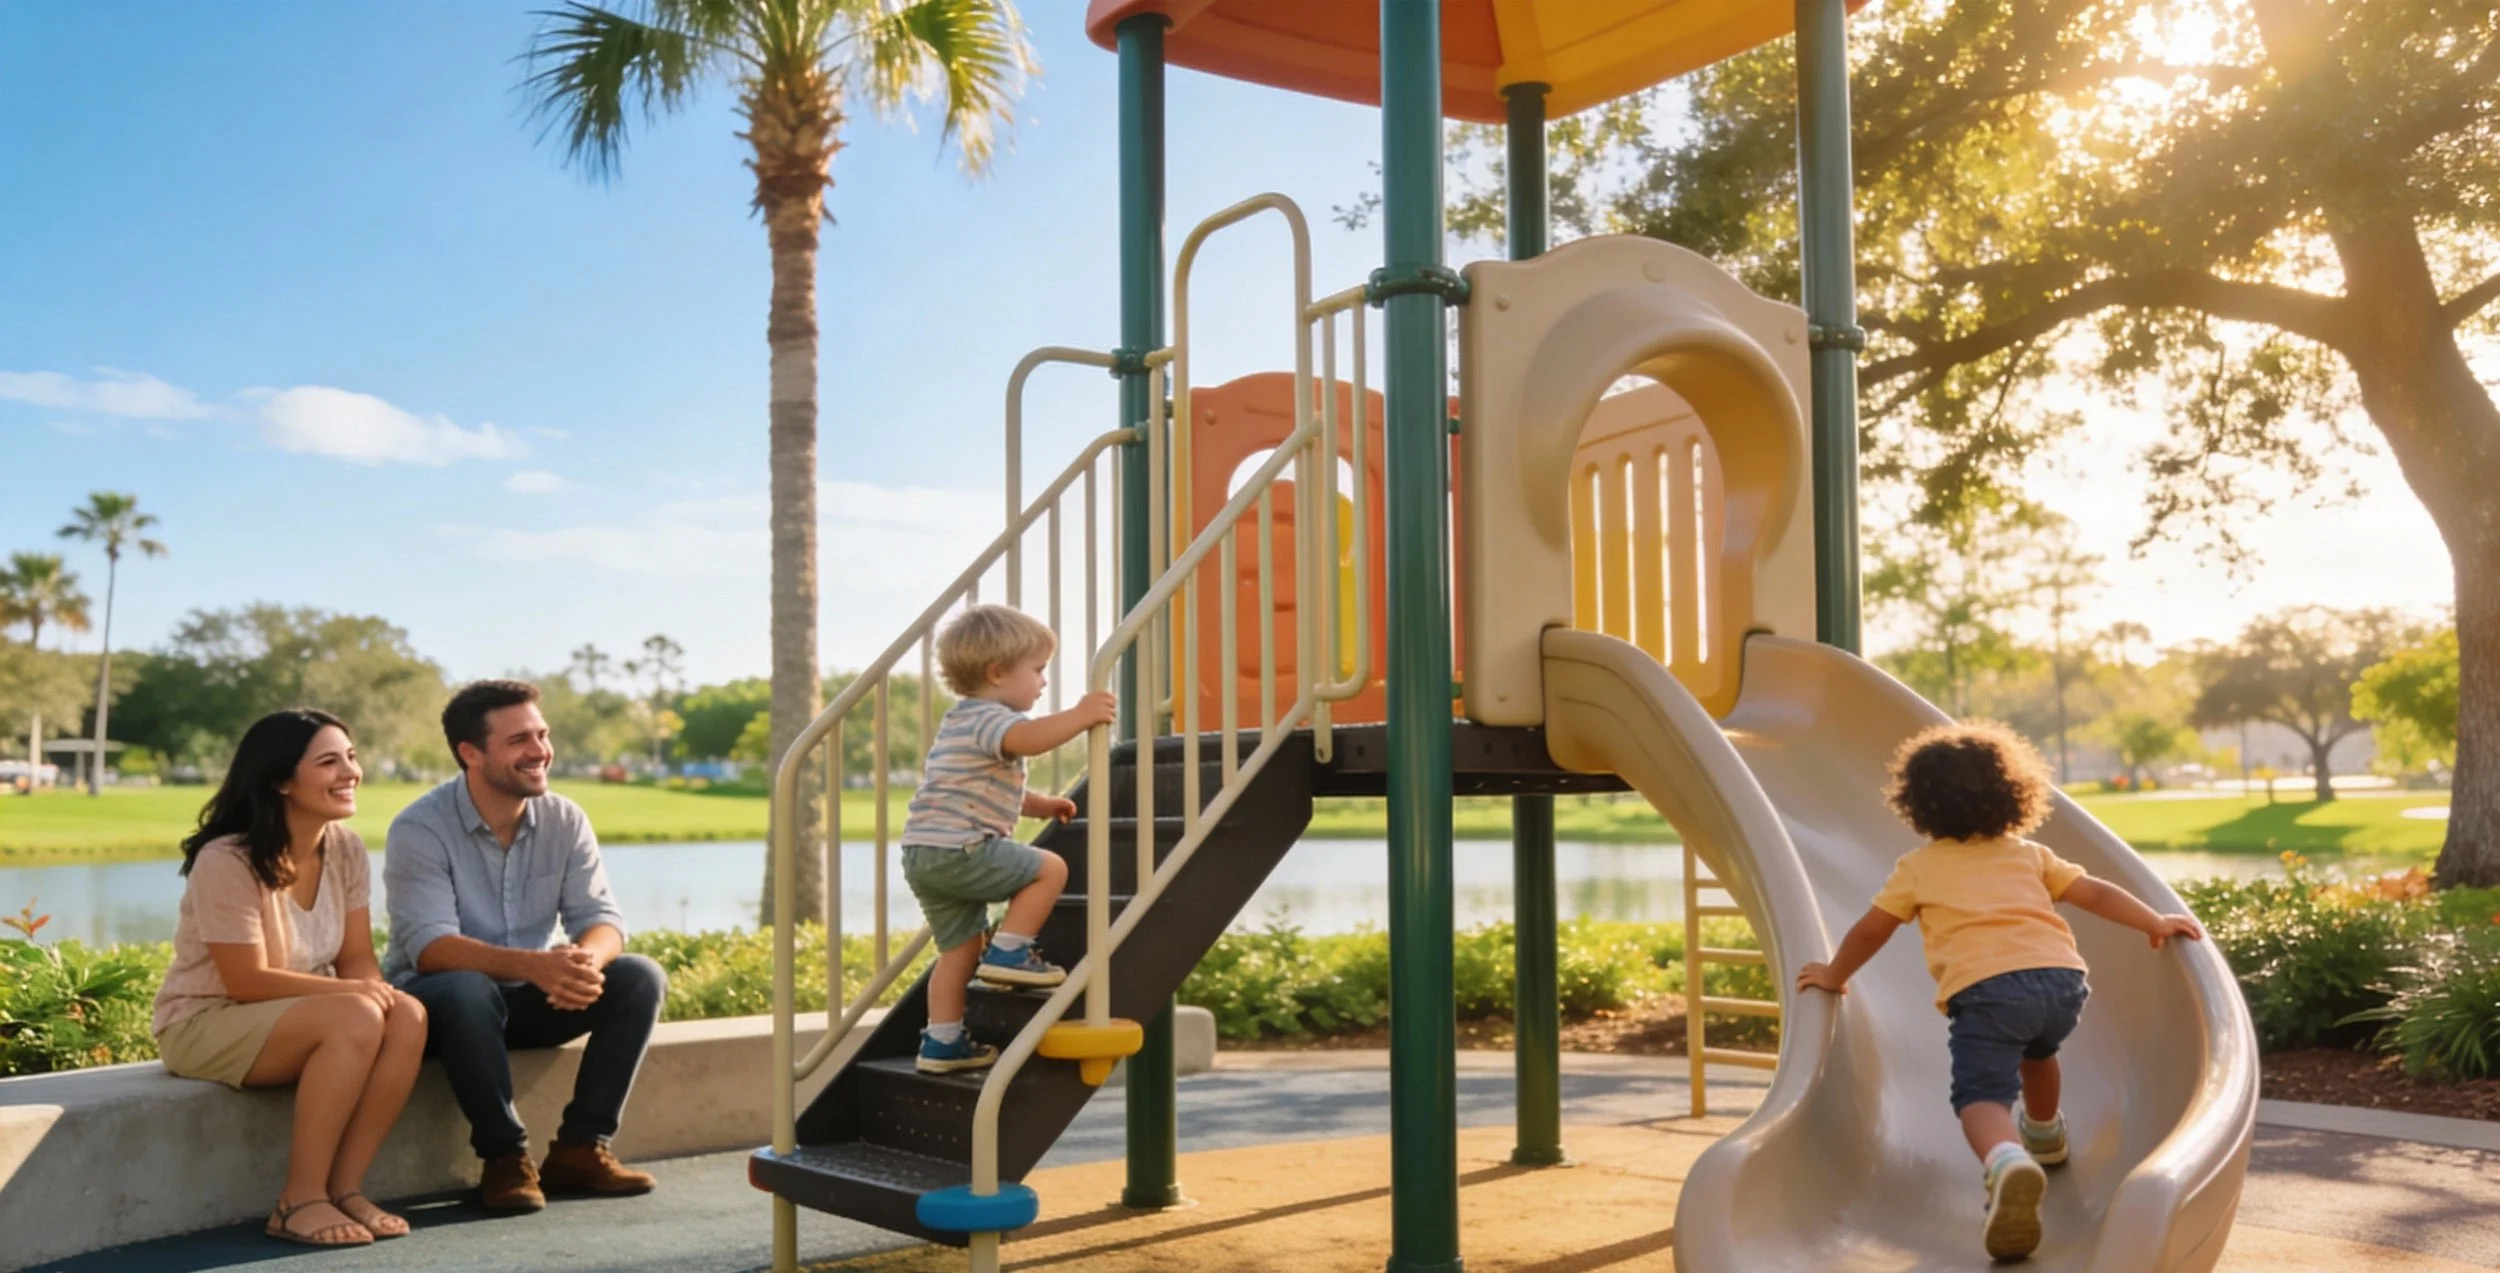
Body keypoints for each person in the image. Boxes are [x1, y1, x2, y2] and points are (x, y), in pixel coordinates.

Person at [1794, 721, 2206, 1262]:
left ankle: (2007, 1161)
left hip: (1986, 992)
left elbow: (1873, 929)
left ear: (1917, 806)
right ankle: (2045, 1133)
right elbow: (2095, 893)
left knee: (1980, 1099)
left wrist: (1835, 974)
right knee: (2039, 1051)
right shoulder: (2030, 855)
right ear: (2014, 793)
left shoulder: (1918, 868)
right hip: (2062, 983)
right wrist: (2154, 920)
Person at [384, 679, 667, 1213]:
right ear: (471, 753)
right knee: (467, 989)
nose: (540, 751)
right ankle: (505, 1159)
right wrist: (536, 966)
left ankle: (581, 1148)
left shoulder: (565, 819)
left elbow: (602, 919)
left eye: (542, 734)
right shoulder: (419, 828)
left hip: (527, 1000)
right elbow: (430, 947)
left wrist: (583, 962)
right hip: (438, 1010)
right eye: (519, 740)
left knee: (638, 977)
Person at [152, 709, 427, 1249]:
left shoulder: (345, 847)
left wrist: (377, 995)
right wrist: (356, 995)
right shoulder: (226, 859)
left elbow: (356, 959)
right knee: (356, 1013)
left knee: (409, 1015)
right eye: (329, 762)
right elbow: (245, 981)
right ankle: (298, 1200)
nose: (350, 772)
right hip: (204, 1021)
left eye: (351, 757)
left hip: (307, 1015)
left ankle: (344, 1190)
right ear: (280, 780)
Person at [901, 604, 1116, 1074]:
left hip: (924, 855)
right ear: (997, 673)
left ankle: (942, 1043)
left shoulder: (960, 721)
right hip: (961, 850)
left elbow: (993, 792)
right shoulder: (990, 717)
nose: (1043, 681)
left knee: (958, 954)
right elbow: (1033, 739)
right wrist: (1081, 715)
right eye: (1037, 670)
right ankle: (1011, 951)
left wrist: (1044, 804)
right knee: (1049, 869)